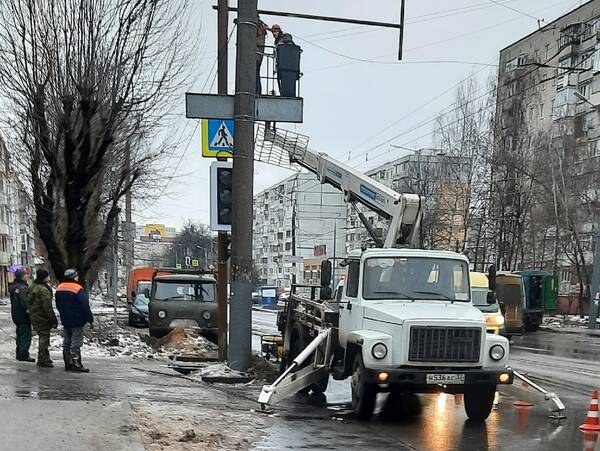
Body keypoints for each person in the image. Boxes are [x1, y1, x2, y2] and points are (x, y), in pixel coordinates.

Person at [55, 268, 93, 373]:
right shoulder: (77, 288)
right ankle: (76, 364)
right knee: (76, 342)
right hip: (77, 319)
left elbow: (58, 305)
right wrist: (90, 319)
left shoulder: (59, 288)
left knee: (67, 342)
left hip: (65, 319)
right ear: (74, 277)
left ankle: (68, 363)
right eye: (76, 275)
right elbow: (84, 305)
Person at [28, 269, 58, 368]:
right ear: (44, 277)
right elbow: (47, 307)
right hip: (42, 317)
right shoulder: (43, 290)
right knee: (44, 338)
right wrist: (53, 320)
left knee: (42, 337)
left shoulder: (33, 286)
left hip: (35, 315)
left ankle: (45, 357)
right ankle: (42, 359)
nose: (49, 278)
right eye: (47, 276)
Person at [8, 269, 34, 362]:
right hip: (23, 316)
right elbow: (25, 302)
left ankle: (19, 354)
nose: (27, 276)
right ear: (23, 277)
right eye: (26, 275)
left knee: (20, 335)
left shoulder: (14, 287)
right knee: (25, 335)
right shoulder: (22, 288)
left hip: (16, 315)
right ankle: (23, 355)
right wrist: (30, 312)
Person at [270, 24, 299, 98]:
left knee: (287, 82)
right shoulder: (277, 41)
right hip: (281, 64)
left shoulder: (285, 36)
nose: (274, 34)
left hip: (287, 65)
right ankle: (282, 94)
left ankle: (286, 95)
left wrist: (282, 45)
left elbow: (289, 44)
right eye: (273, 32)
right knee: (279, 80)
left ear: (279, 31)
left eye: (275, 31)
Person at [256, 19, 268, 95]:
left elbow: (260, 42)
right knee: (256, 74)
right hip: (257, 55)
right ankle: (257, 91)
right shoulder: (260, 28)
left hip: (255, 55)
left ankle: (257, 91)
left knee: (255, 74)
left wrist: (249, 39)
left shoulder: (259, 29)